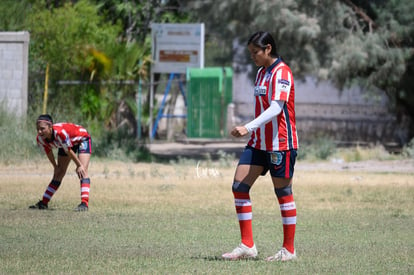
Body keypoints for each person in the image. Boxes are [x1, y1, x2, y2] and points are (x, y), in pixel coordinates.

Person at [222, 31, 299, 261]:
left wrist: (248, 126)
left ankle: (289, 250)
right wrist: (253, 130)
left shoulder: (282, 71)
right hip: (258, 144)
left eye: (255, 52)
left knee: (283, 193)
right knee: (239, 186)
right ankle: (247, 245)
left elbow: (277, 108)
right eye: (250, 53)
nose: (252, 57)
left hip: (280, 144)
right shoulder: (260, 73)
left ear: (268, 49)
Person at [29, 114, 92, 211]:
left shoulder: (60, 134)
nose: (39, 132)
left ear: (50, 127)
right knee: (59, 173)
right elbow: (48, 152)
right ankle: (44, 203)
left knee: (82, 171)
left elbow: (68, 150)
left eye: (42, 129)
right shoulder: (40, 138)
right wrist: (55, 166)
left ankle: (84, 204)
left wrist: (79, 165)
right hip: (66, 144)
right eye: (38, 129)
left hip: (82, 139)